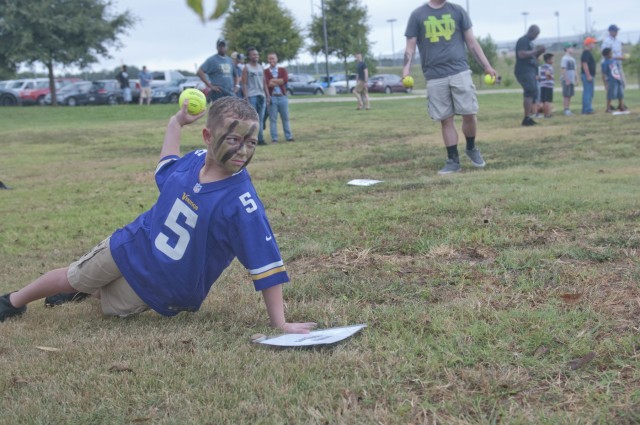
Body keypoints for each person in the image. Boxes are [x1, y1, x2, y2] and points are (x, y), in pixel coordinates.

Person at [0, 96, 317, 336]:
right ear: (207, 137)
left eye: (250, 142)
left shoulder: (241, 204)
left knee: (109, 307)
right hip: (132, 243)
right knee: (72, 276)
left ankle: (88, 290)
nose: (243, 151)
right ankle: (13, 301)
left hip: (159, 283)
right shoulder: (192, 161)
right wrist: (176, 123)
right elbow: (166, 163)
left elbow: (265, 266)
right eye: (233, 139)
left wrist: (281, 322)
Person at [402, 0, 497, 175]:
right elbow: (410, 46)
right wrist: (406, 70)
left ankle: (471, 147)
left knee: (469, 112)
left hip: (460, 71)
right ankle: (453, 160)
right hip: (434, 75)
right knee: (446, 118)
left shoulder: (458, 11)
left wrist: (487, 66)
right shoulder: (417, 15)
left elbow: (472, 42)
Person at [515, 25, 546, 126]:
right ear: (531, 32)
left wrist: (539, 52)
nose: (536, 37)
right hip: (523, 70)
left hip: (531, 70)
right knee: (530, 90)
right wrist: (536, 50)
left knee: (532, 92)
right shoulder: (522, 41)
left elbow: (533, 56)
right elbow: (521, 54)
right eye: (536, 34)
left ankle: (528, 117)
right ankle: (526, 118)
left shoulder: (530, 43)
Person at [242, 47, 269, 146]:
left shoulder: (261, 67)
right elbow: (244, 83)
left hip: (261, 95)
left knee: (261, 119)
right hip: (252, 96)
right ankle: (250, 139)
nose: (255, 56)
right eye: (253, 54)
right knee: (253, 119)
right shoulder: (247, 68)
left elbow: (264, 82)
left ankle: (260, 139)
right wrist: (246, 97)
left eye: (257, 54)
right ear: (249, 56)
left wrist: (267, 95)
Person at [265, 52, 294, 143]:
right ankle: (274, 138)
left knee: (285, 118)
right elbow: (267, 83)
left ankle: (289, 136)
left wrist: (273, 80)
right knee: (273, 119)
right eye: (270, 59)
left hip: (282, 97)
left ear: (276, 59)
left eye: (273, 58)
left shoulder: (282, 70)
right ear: (268, 60)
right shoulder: (265, 71)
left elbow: (284, 81)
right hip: (272, 97)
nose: (272, 60)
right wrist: (277, 81)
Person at [197, 37, 237, 104]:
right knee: (220, 112)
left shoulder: (229, 60)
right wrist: (210, 86)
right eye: (220, 46)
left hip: (230, 91)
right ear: (217, 47)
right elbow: (199, 72)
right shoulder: (212, 60)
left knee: (231, 112)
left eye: (223, 46)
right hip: (218, 92)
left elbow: (236, 75)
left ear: (226, 47)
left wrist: (237, 85)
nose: (222, 48)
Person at [601, 24, 627, 92]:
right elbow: (605, 54)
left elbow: (618, 52)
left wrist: (622, 56)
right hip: (611, 66)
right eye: (615, 30)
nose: (616, 32)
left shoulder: (618, 41)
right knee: (611, 85)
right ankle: (610, 102)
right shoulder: (607, 41)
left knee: (622, 83)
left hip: (618, 64)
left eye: (617, 31)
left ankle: (621, 101)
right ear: (610, 31)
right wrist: (618, 57)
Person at [601, 47, 626, 113]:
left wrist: (621, 78)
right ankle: (608, 108)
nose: (612, 54)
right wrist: (605, 84)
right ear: (606, 55)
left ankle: (621, 106)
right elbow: (603, 74)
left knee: (621, 93)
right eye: (610, 53)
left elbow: (618, 70)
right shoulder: (604, 63)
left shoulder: (615, 60)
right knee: (611, 94)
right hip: (611, 80)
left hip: (618, 79)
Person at [580, 37, 597, 115]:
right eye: (593, 43)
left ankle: (586, 108)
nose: (594, 45)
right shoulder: (586, 53)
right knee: (588, 92)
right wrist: (588, 75)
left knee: (590, 93)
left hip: (589, 75)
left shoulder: (588, 53)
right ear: (589, 44)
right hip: (587, 75)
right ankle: (587, 109)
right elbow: (584, 64)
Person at [560, 43, 577, 116]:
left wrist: (576, 78)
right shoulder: (564, 58)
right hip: (567, 79)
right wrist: (566, 79)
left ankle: (568, 108)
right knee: (566, 95)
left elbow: (575, 69)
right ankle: (565, 109)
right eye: (571, 48)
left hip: (572, 79)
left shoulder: (572, 59)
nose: (572, 49)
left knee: (570, 94)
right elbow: (563, 69)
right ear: (566, 49)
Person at [538, 53, 555, 118]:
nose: (553, 60)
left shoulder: (542, 66)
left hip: (542, 85)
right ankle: (548, 114)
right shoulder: (549, 66)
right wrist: (550, 77)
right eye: (552, 59)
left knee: (544, 101)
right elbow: (547, 73)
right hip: (548, 86)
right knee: (548, 101)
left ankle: (545, 114)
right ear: (548, 60)